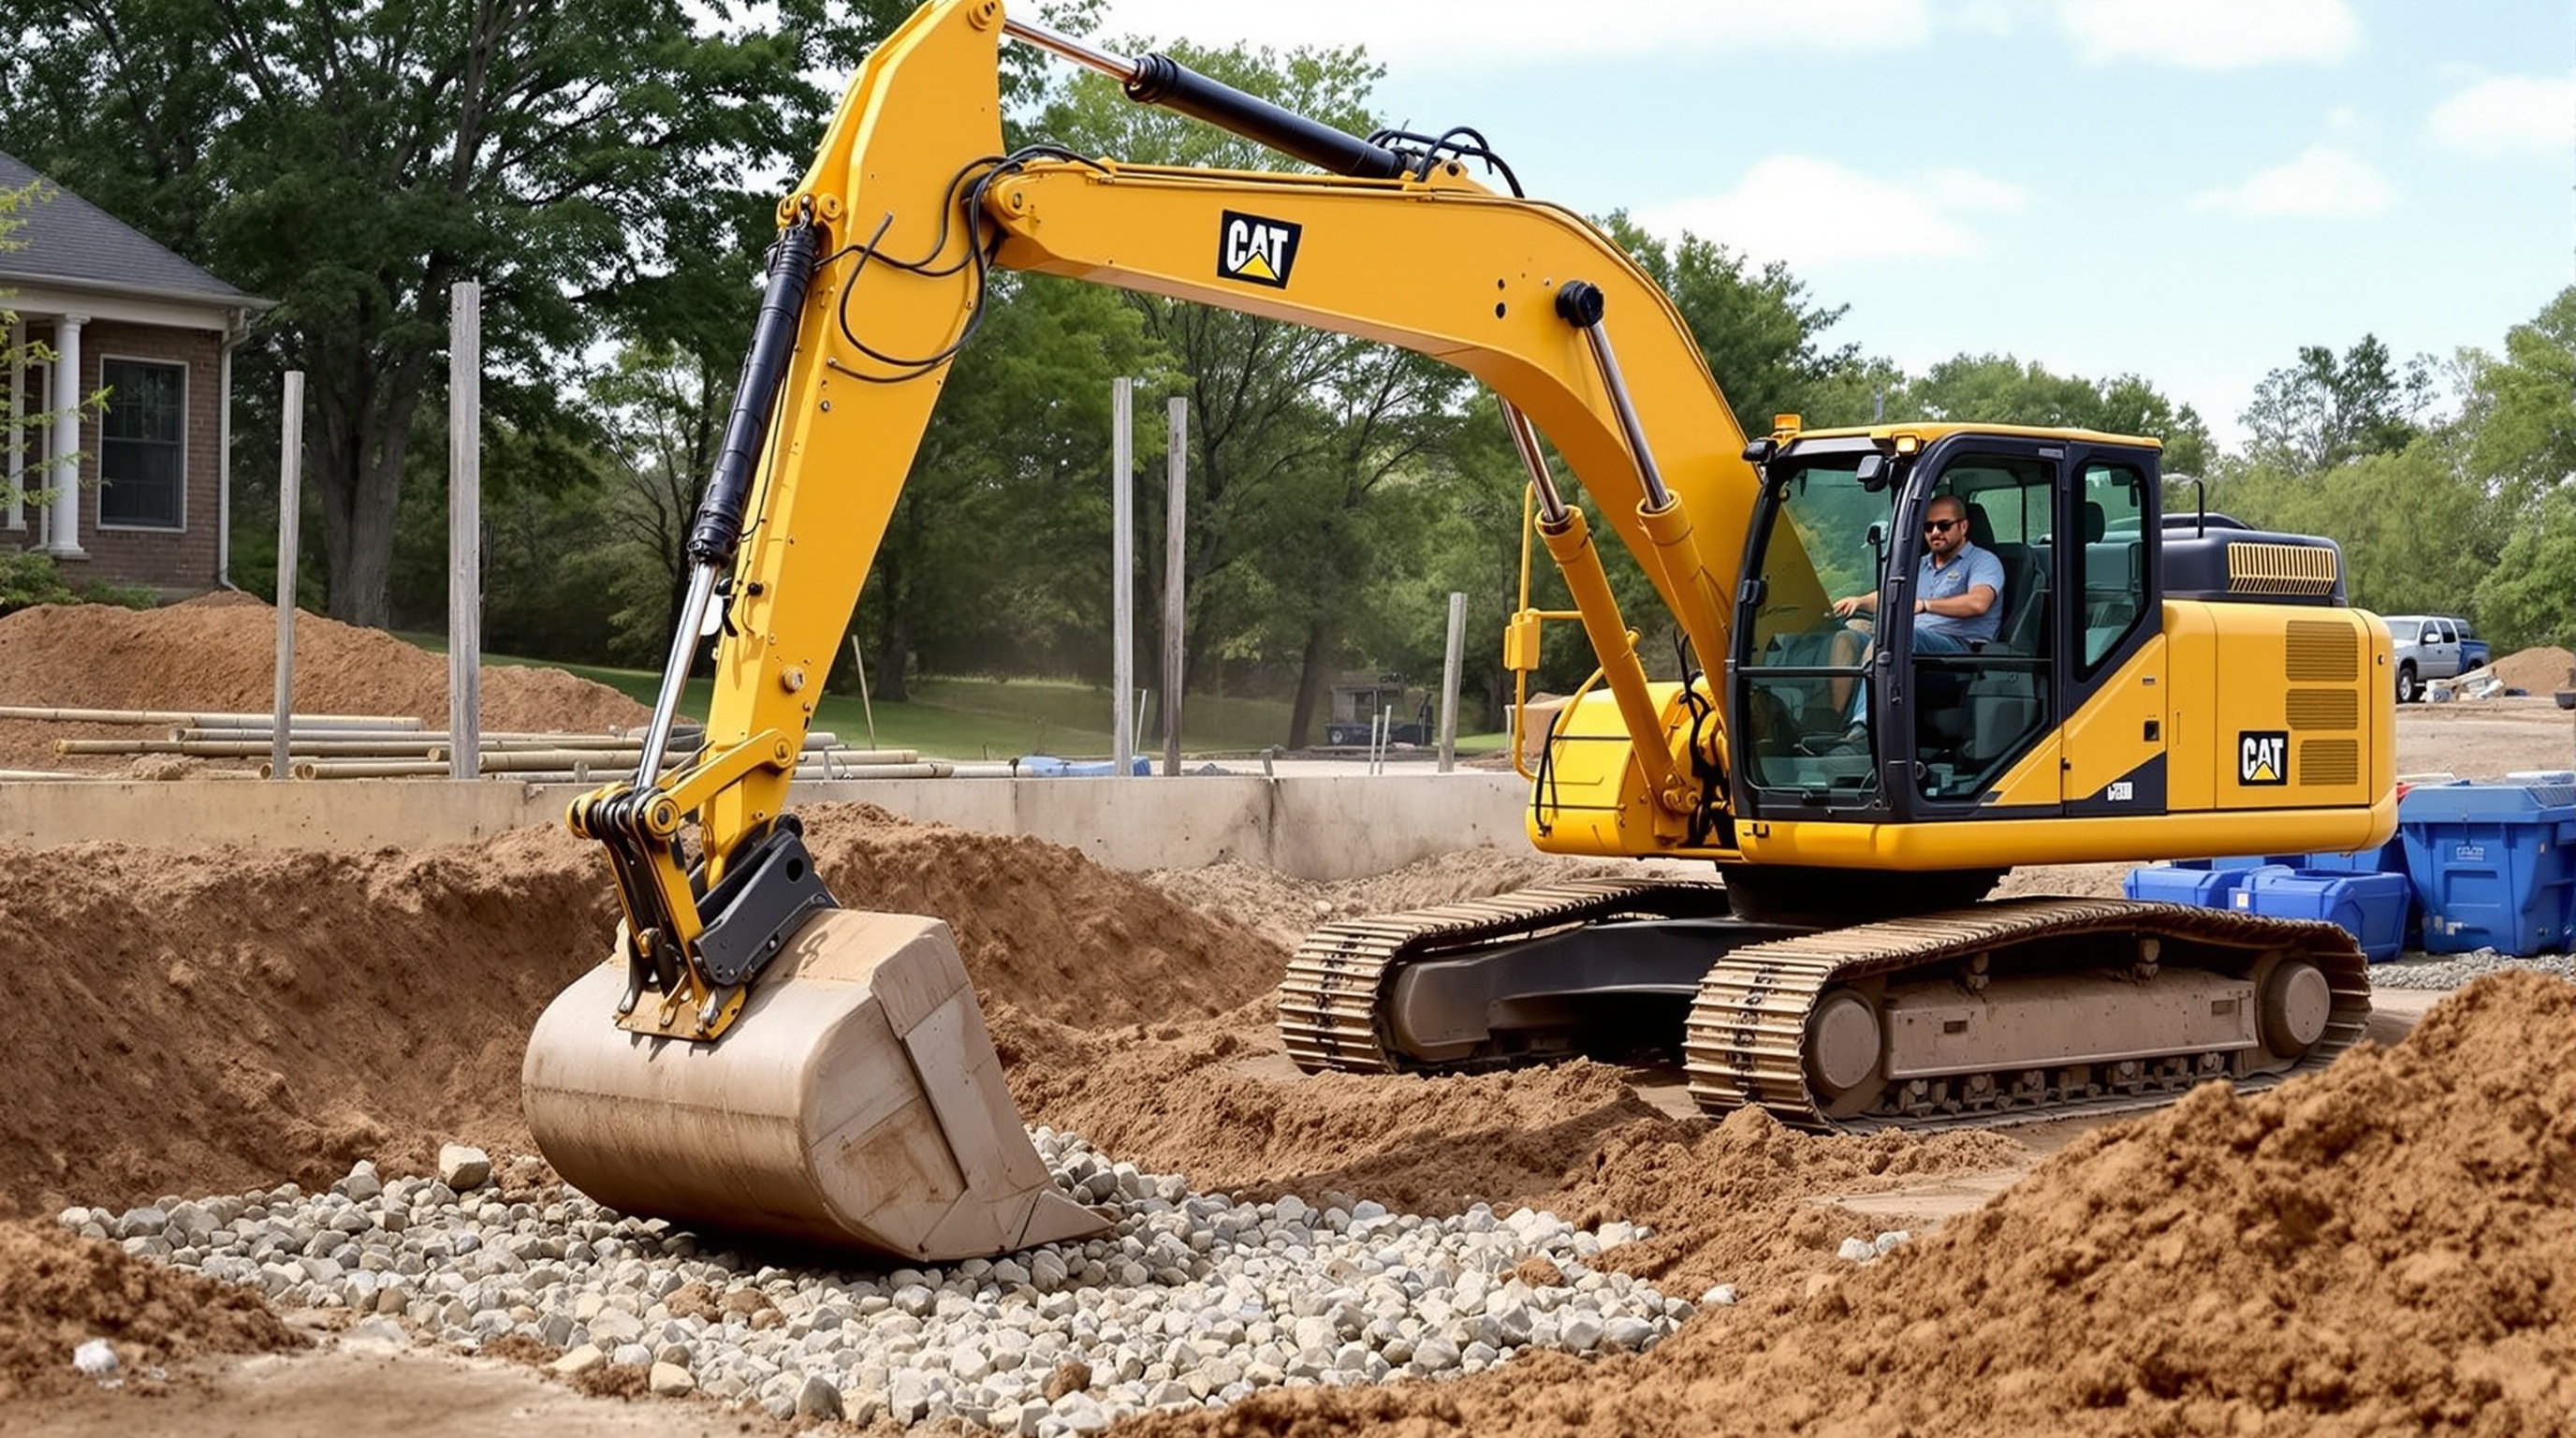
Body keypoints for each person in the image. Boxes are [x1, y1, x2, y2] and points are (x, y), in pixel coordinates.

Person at [1822, 494, 2004, 721]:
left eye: (1944, 525)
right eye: (1928, 526)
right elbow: (1889, 595)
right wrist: (1858, 602)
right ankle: (1835, 722)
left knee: (1892, 635)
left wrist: (1926, 605)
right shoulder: (1920, 565)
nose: (1935, 532)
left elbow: (1979, 602)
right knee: (1847, 637)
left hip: (1957, 652)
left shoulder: (1983, 561)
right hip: (1913, 642)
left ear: (1964, 526)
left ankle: (1865, 725)